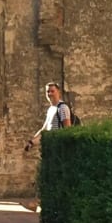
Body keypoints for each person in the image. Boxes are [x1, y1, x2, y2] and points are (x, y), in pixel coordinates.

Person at [21, 83, 73, 212]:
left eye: (52, 91)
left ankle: (45, 202)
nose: (49, 94)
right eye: (47, 92)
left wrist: (62, 146)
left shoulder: (63, 108)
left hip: (58, 149)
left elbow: (67, 129)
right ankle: (41, 202)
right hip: (50, 148)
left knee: (52, 176)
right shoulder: (51, 109)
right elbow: (44, 128)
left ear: (59, 92)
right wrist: (31, 142)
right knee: (45, 174)